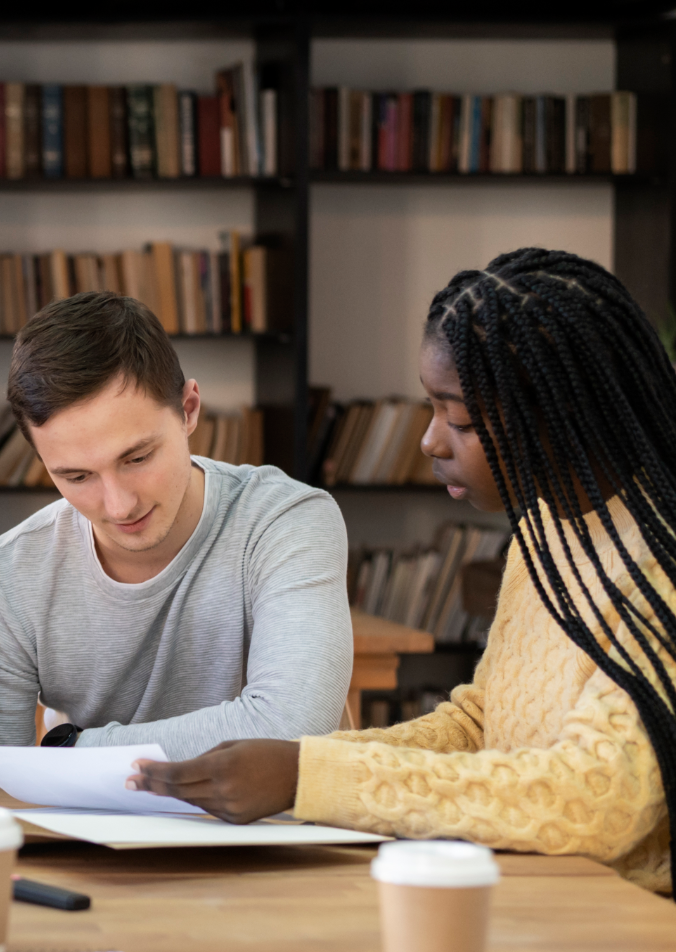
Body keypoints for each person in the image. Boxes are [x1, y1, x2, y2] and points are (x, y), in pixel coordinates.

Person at [133, 249, 674, 895]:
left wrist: (311, 780)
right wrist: (306, 763)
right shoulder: (545, 531)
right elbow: (481, 725)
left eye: (462, 420)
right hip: (521, 898)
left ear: (565, 415)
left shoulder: (660, 567)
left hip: (621, 935)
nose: (430, 441)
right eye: (432, 407)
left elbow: (594, 803)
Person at [0, 292, 351, 758]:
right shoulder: (9, 575)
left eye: (137, 458)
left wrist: (76, 749)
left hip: (257, 829)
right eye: (77, 477)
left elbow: (291, 727)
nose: (119, 505)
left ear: (188, 410)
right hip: (89, 826)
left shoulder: (286, 522)